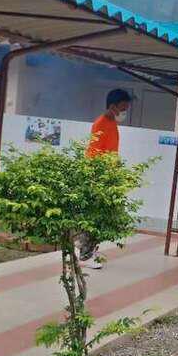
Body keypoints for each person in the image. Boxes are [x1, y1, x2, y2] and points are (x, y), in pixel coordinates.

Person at [77, 88, 134, 269]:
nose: (125, 111)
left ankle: (90, 251)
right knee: (92, 218)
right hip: (97, 177)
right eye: (123, 108)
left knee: (100, 218)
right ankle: (85, 256)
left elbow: (110, 152)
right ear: (112, 106)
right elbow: (93, 154)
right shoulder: (100, 124)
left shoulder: (112, 123)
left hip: (107, 177)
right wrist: (96, 179)